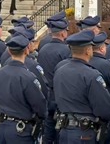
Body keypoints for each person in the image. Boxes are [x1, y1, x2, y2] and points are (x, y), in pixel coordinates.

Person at [53, 30, 110, 143]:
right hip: (83, 133)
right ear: (87, 50)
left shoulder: (60, 70)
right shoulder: (92, 75)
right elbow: (104, 109)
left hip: (64, 130)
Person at [0, 35, 47, 143]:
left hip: (3, 127)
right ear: (27, 51)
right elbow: (39, 105)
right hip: (21, 131)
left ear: (9, 51)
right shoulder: (28, 77)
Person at [37, 11, 70, 142]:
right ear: (63, 33)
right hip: (59, 96)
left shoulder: (43, 47)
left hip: (46, 94)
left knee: (48, 131)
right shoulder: (66, 50)